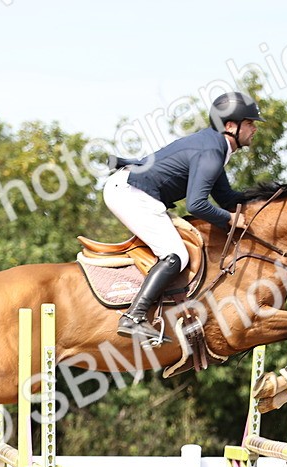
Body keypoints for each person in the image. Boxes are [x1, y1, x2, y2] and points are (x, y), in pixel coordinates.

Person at [104, 91, 263, 342]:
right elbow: (197, 205)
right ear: (231, 126)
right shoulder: (211, 151)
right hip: (130, 193)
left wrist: (267, 202)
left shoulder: (215, 147)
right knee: (176, 254)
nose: (254, 129)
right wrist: (229, 219)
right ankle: (134, 316)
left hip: (134, 190)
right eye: (250, 123)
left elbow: (227, 198)